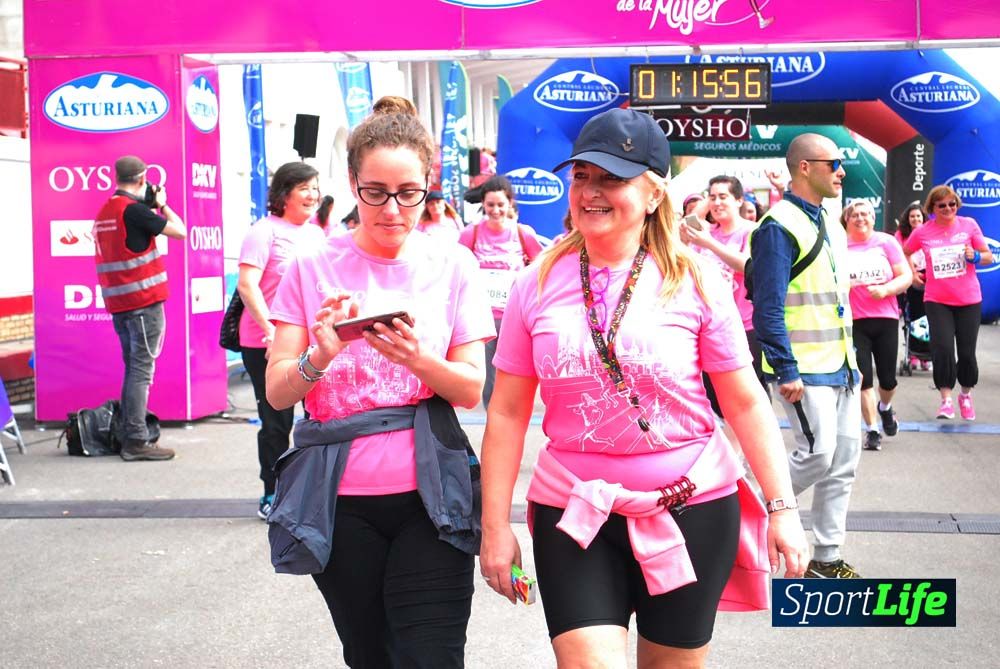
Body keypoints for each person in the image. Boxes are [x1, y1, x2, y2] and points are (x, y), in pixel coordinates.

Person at [479, 108, 808, 669]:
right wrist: (494, 531)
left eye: (611, 178)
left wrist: (783, 509)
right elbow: (507, 413)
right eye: (582, 175)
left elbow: (746, 400)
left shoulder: (696, 278)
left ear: (655, 194)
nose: (590, 191)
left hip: (692, 510)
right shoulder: (532, 283)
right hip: (574, 512)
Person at [263, 104, 495, 668]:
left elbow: (469, 390)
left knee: (432, 656)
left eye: (409, 193)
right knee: (370, 655)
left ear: (428, 187)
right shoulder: (312, 264)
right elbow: (277, 391)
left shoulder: (455, 264)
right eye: (376, 192)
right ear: (351, 185)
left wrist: (419, 360)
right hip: (338, 503)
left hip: (434, 499)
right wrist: (321, 354)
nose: (393, 210)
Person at [750, 133, 863, 578]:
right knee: (818, 456)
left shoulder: (831, 223)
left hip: (842, 366)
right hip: (804, 369)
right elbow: (768, 306)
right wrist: (785, 368)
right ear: (805, 167)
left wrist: (855, 365)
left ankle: (827, 558)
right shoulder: (777, 227)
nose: (841, 171)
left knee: (843, 463)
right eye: (833, 163)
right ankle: (746, 513)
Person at [237, 162, 328, 519]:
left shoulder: (318, 234)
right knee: (276, 421)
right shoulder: (264, 231)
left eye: (315, 187)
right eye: (304, 187)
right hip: (264, 342)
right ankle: (272, 491)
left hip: (311, 342)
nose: (312, 194)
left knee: (317, 417)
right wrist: (271, 329)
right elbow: (247, 285)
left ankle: (312, 490)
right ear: (284, 193)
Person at [93, 156, 186, 462]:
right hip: (143, 305)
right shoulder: (135, 211)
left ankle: (131, 434)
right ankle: (135, 439)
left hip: (120, 306)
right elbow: (180, 231)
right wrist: (161, 204)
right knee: (141, 373)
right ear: (143, 178)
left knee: (133, 370)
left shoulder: (105, 211)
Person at [679, 175, 767, 449]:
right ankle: (738, 450)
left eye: (723, 197)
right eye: (712, 196)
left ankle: (742, 457)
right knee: (714, 395)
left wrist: (709, 244)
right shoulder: (705, 233)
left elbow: (749, 266)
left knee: (742, 395)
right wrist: (703, 215)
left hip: (745, 323)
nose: (717, 203)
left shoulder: (753, 231)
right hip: (707, 325)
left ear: (740, 200)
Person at [902, 185, 994, 421]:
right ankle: (946, 400)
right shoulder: (923, 231)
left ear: (957, 205)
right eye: (941, 205)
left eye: (952, 204)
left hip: (968, 299)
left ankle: (965, 394)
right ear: (932, 208)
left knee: (966, 353)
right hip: (937, 299)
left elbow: (988, 255)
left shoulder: (969, 225)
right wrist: (912, 274)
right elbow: (904, 252)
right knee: (942, 349)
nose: (947, 208)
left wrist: (974, 256)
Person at [458, 175, 544, 408]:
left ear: (510, 204)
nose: (495, 210)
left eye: (500, 205)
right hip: (481, 314)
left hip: (513, 313)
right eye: (490, 205)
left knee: (512, 368)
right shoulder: (471, 233)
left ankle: (510, 410)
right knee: (487, 370)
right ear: (483, 205)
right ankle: (492, 414)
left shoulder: (523, 232)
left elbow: (540, 266)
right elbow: (458, 267)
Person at [842, 201, 912, 451]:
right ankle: (872, 430)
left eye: (865, 214)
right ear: (847, 219)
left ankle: (885, 408)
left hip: (885, 317)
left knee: (888, 380)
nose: (860, 219)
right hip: (854, 320)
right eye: (854, 215)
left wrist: (886, 289)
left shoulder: (886, 242)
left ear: (873, 218)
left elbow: (906, 277)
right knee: (862, 378)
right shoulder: (840, 246)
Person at [895, 202, 930, 371]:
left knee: (929, 318)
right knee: (913, 318)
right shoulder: (900, 235)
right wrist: (913, 275)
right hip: (910, 279)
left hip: (930, 280)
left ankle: (927, 356)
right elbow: (898, 256)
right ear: (907, 219)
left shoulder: (931, 232)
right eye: (912, 216)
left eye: (918, 216)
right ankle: (913, 354)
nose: (915, 219)